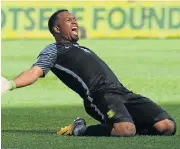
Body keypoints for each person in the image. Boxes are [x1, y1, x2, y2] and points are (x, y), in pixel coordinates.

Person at [4, 9, 176, 137]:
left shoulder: (80, 47)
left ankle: (127, 126)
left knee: (167, 126)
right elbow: (34, 72)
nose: (75, 22)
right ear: (57, 29)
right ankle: (80, 130)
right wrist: (9, 84)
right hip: (100, 96)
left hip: (123, 93)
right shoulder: (53, 51)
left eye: (75, 19)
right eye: (68, 20)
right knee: (126, 130)